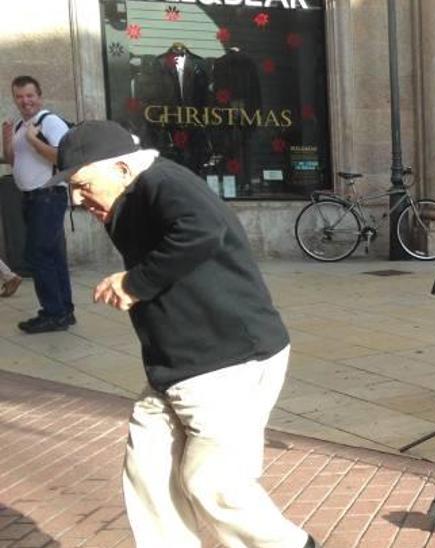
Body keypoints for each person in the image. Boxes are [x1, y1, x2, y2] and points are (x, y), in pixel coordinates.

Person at [54, 120, 315, 547]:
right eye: (72, 190)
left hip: (227, 361)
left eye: (83, 185)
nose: (78, 199)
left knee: (213, 482)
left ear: (121, 168)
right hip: (177, 366)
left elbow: (201, 230)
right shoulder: (129, 197)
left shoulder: (161, 182)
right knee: (149, 471)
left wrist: (133, 284)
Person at [2, 76, 72, 333]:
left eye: (29, 95)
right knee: (51, 255)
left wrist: (33, 140)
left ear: (39, 96)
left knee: (38, 255)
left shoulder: (48, 121)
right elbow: (13, 161)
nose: (25, 101)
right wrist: (7, 138)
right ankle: (64, 311)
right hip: (32, 198)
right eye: (19, 96)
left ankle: (53, 313)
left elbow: (63, 155)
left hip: (48, 195)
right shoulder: (23, 124)